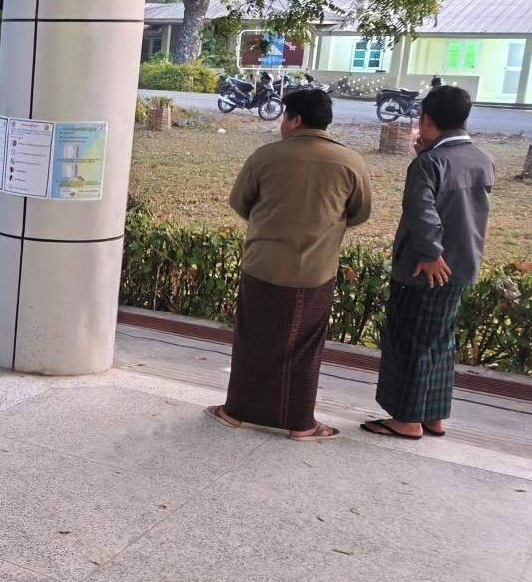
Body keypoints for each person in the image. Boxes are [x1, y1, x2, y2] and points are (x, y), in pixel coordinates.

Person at [206, 89, 372, 441]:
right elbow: (360, 213)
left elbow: (239, 202)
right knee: (305, 348)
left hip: (262, 267)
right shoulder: (350, 162)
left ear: (295, 120)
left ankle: (234, 412)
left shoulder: (266, 156)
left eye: (284, 117)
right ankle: (301, 424)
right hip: (316, 272)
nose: (282, 123)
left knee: (252, 340)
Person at [363, 85, 495, 440]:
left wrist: (430, 253)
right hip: (463, 265)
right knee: (440, 341)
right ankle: (434, 416)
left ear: (426, 120)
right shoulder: (481, 158)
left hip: (425, 268)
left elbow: (421, 210)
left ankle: (406, 420)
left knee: (409, 339)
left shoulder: (428, 163)